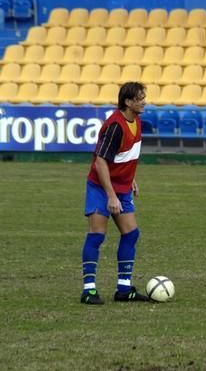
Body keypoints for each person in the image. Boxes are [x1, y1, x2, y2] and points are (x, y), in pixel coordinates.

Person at [80, 82, 149, 304]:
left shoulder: (136, 121)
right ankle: (89, 291)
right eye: (140, 98)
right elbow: (100, 161)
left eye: (143, 97)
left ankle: (123, 289)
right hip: (101, 187)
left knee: (131, 234)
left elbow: (123, 156)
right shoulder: (115, 126)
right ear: (128, 102)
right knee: (97, 235)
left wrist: (131, 179)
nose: (144, 101)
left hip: (122, 187)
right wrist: (110, 195)